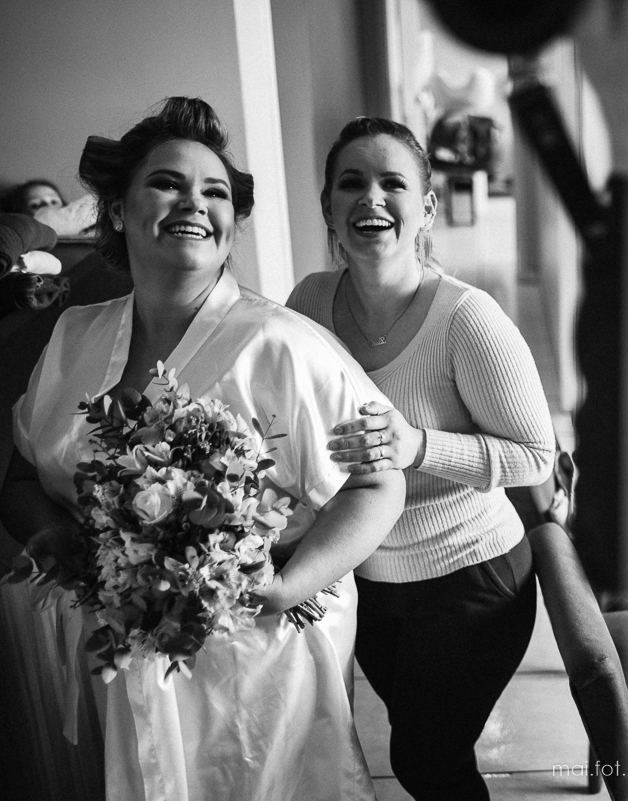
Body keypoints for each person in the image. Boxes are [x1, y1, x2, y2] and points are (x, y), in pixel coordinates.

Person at [0, 97, 405, 800]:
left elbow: (379, 483)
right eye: (167, 183)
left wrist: (287, 586)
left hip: (253, 669)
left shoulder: (281, 344)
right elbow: (22, 477)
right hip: (106, 660)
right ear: (118, 210)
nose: (194, 202)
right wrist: (56, 539)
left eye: (215, 192)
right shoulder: (73, 336)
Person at [286, 116, 555, 801]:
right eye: (351, 183)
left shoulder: (468, 319)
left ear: (427, 208)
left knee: (425, 760)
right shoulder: (309, 302)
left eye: (392, 183)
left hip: (470, 576)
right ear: (328, 208)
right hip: (367, 576)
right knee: (422, 748)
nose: (370, 197)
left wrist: (419, 445)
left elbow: (535, 456)